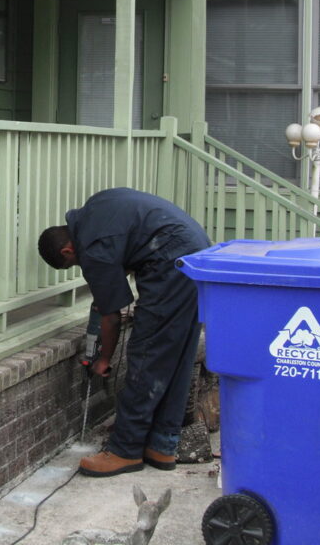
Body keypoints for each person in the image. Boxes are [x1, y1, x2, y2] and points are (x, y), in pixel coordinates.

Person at [38, 187, 210, 477]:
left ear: (68, 251)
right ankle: (161, 445)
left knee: (146, 355)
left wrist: (104, 359)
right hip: (195, 254)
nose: (80, 267)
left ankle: (124, 451)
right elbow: (132, 240)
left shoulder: (91, 248)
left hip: (172, 263)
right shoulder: (95, 209)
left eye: (72, 264)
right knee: (177, 356)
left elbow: (112, 317)